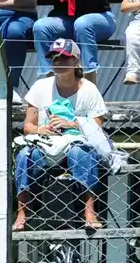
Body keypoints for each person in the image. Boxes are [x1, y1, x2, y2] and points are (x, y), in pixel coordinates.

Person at [14, 39, 108, 230]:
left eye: (64, 58)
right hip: (46, 144)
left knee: (82, 153)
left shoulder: (89, 89)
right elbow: (28, 126)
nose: (58, 62)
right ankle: (22, 212)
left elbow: (97, 126)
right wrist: (41, 129)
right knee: (24, 155)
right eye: (54, 58)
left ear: (76, 61)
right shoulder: (41, 86)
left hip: (75, 144)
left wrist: (72, 124)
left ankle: (89, 212)